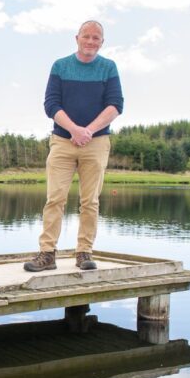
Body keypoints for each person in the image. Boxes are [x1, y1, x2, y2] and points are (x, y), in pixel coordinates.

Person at [24, 20, 124, 273]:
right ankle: (47, 254)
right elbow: (51, 104)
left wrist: (88, 130)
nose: (90, 41)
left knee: (89, 201)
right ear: (76, 38)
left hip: (96, 142)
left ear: (102, 42)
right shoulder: (60, 66)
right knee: (54, 198)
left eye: (96, 38)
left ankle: (83, 253)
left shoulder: (108, 68)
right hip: (62, 142)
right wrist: (74, 129)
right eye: (86, 36)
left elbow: (115, 105)